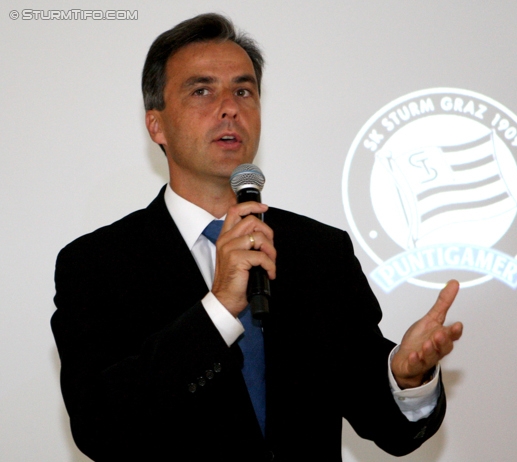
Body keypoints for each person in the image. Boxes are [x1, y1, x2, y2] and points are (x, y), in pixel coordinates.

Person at [51, 13, 463, 461]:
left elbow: (386, 426)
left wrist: (405, 380)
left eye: (243, 91)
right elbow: (99, 426)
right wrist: (218, 310)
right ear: (157, 125)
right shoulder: (97, 264)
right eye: (202, 90)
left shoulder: (319, 252)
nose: (229, 107)